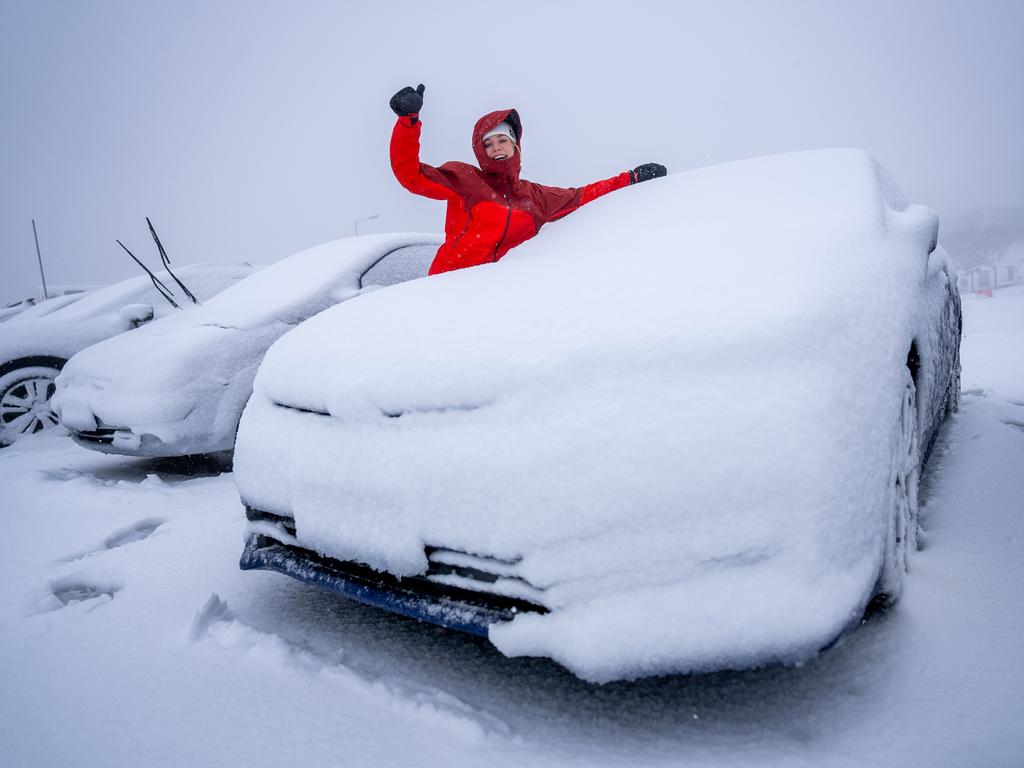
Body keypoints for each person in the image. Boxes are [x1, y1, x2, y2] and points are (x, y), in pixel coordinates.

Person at [389, 84, 667, 275]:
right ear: (480, 150)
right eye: (489, 144)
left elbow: (584, 195)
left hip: (500, 291)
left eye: (502, 140)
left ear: (515, 144)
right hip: (447, 285)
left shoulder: (535, 197)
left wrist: (630, 179)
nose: (497, 148)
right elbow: (411, 175)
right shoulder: (464, 179)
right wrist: (408, 122)